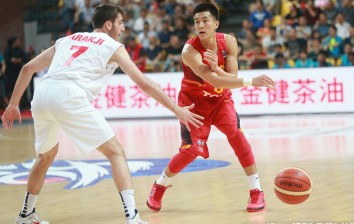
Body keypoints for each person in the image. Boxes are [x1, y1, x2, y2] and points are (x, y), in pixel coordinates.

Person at [1, 3, 204, 224]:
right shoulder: (114, 46)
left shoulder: (68, 39)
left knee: (45, 157)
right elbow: (143, 83)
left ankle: (25, 214)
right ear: (108, 24)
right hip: (69, 95)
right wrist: (176, 110)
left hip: (42, 95)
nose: (123, 28)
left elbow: (27, 69)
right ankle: (133, 218)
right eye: (120, 23)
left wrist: (13, 104)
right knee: (116, 152)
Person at [146, 2, 275, 214]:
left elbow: (230, 78)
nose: (200, 25)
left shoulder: (229, 42)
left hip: (220, 99)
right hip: (193, 103)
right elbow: (215, 80)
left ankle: (256, 191)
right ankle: (159, 185)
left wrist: (216, 67)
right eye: (197, 21)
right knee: (190, 151)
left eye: (205, 20)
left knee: (236, 134)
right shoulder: (190, 50)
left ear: (216, 23)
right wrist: (250, 81)